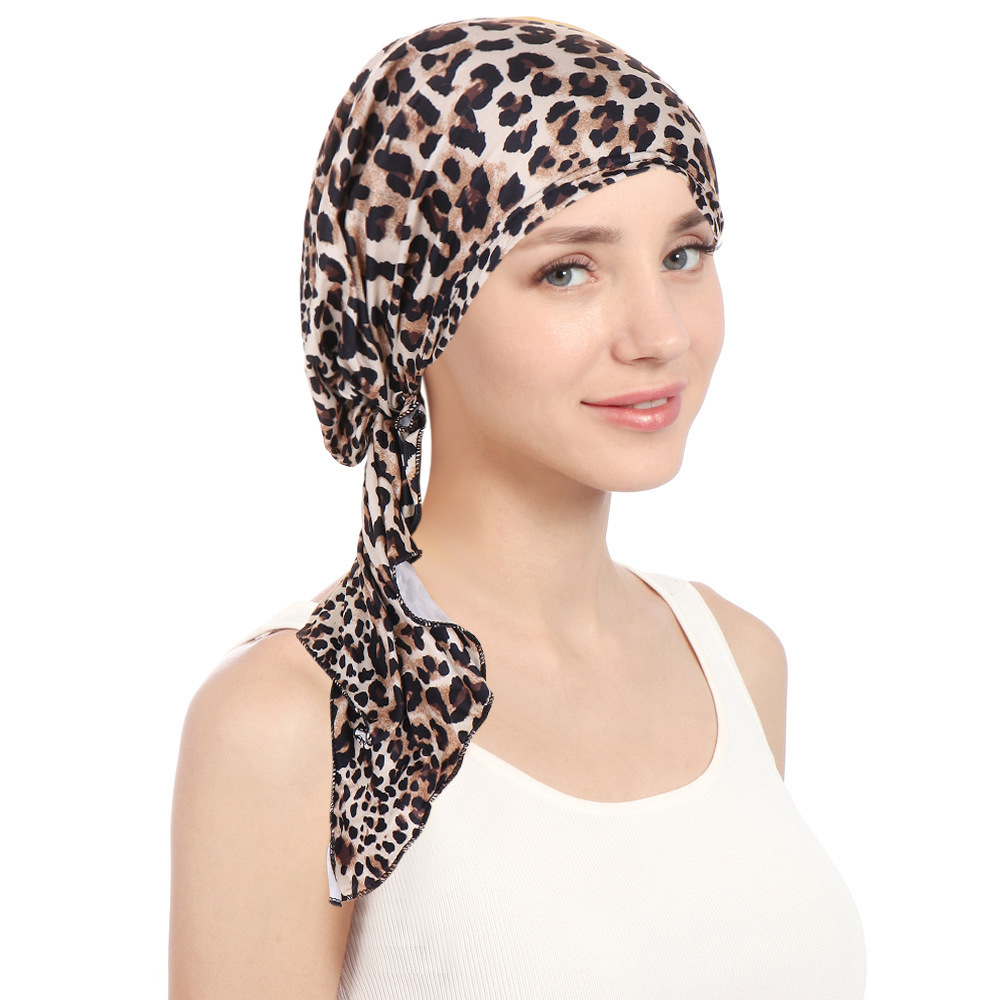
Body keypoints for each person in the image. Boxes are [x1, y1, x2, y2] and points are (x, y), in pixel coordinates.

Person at [169, 16, 865, 998]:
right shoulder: (297, 717)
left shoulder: (737, 660)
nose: (660, 334)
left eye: (684, 253)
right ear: (417, 306)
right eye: (567, 270)